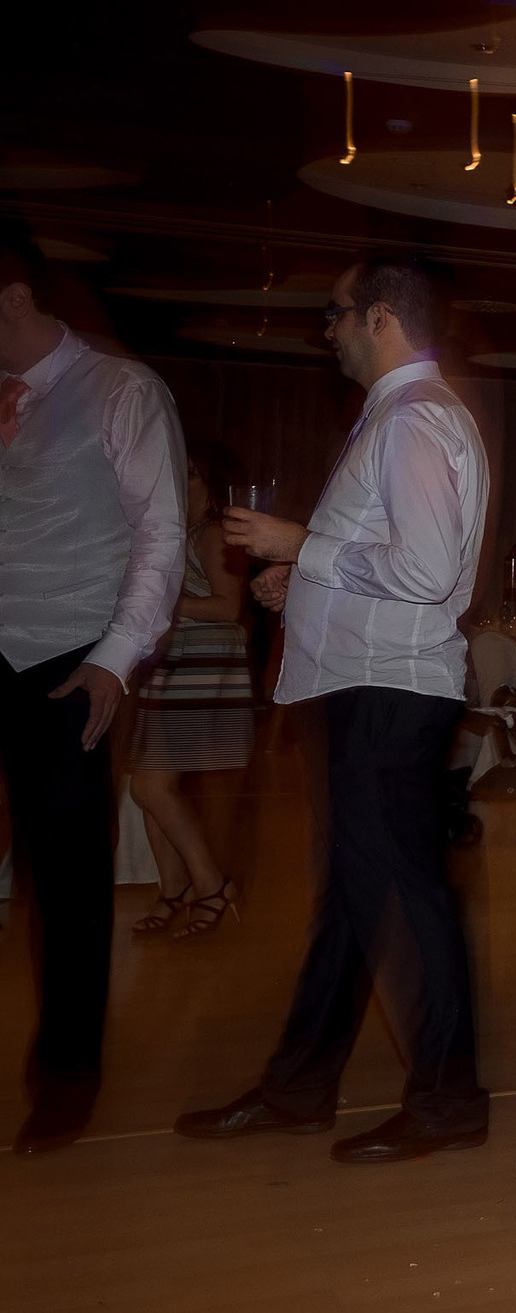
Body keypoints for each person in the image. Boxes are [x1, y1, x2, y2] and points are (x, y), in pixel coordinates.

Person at [177, 256, 491, 1164]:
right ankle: (301, 1087)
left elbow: (427, 572)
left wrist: (302, 543)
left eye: (336, 314)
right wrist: (304, 577)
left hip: (390, 689)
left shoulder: (413, 418)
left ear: (381, 317)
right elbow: (393, 558)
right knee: (356, 901)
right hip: (375, 684)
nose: (328, 330)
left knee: (405, 898)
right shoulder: (400, 416)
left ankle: (448, 1102)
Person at [0, 222, 186, 1154]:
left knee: (66, 883)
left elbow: (161, 532)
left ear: (13, 297)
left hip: (70, 661)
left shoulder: (121, 389)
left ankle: (69, 1073)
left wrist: (114, 656)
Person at [129, 440, 258, 943]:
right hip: (175, 669)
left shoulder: (212, 532)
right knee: (149, 786)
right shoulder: (176, 533)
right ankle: (175, 887)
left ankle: (211, 885)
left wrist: (162, 603)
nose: (179, 482)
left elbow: (228, 607)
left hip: (202, 671)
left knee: (150, 786)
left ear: (211, 485)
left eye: (191, 474)